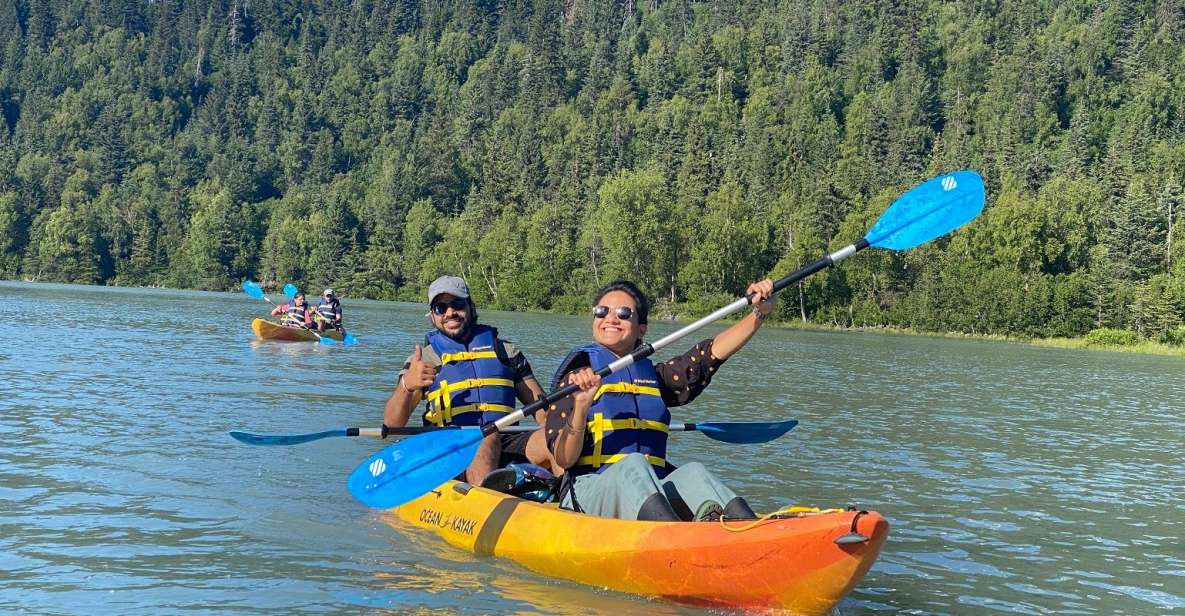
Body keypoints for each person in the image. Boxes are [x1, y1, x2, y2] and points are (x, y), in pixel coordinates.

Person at [545, 279, 776, 522]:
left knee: (694, 472)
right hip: (586, 493)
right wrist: (581, 405)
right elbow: (563, 459)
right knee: (633, 464)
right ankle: (673, 537)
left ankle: (746, 528)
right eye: (602, 311)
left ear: (641, 328)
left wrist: (759, 313)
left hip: (650, 489)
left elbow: (708, 356)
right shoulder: (574, 379)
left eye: (624, 313)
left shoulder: (655, 379)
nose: (611, 319)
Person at [384, 276, 549, 485]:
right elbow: (392, 424)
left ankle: (572, 504)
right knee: (483, 437)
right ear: (432, 316)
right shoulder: (423, 361)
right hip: (450, 447)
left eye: (457, 304)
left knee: (553, 437)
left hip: (507, 439)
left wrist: (562, 427)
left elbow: (544, 413)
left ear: (471, 307)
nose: (450, 313)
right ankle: (483, 505)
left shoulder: (506, 351)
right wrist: (407, 386)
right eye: (440, 308)